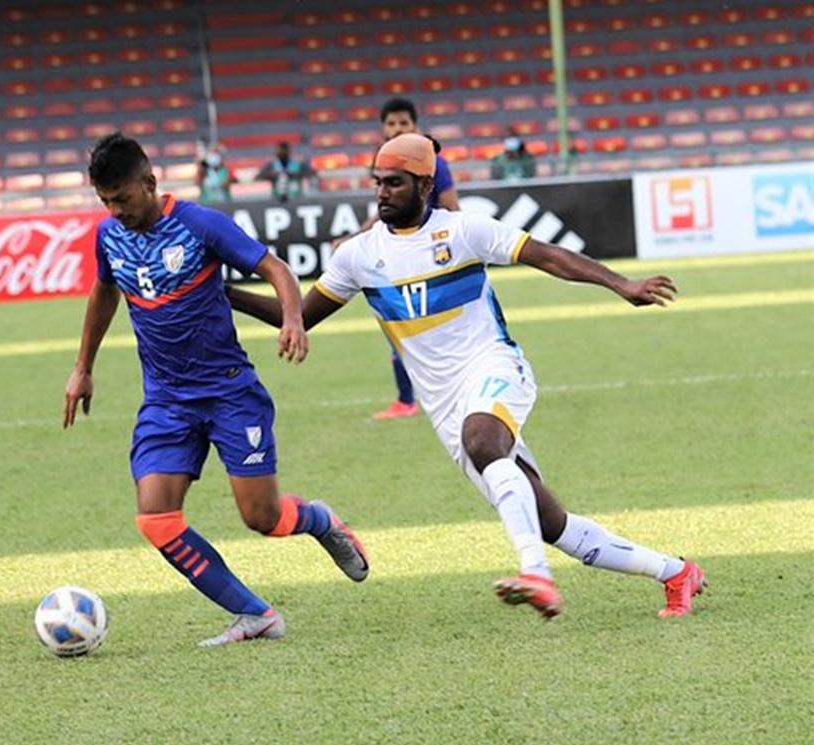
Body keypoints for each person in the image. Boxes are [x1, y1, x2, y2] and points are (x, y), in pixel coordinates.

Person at [226, 134, 705, 620]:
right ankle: (675, 573)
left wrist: (621, 284)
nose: (382, 193)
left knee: (482, 440)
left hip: (495, 367)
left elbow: (548, 255)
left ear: (426, 185)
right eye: (377, 183)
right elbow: (297, 315)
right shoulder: (358, 256)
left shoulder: (464, 231)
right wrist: (225, 291)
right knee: (552, 523)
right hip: (444, 405)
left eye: (395, 183)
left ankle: (536, 575)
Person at [63, 133, 369, 647]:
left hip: (229, 392)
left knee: (262, 518)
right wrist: (83, 367)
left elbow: (276, 269)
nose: (116, 210)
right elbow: (104, 291)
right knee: (156, 517)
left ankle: (320, 520)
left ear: (150, 182)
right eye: (105, 201)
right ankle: (256, 615)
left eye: (123, 198)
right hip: (165, 400)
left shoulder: (201, 224)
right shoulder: (108, 237)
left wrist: (293, 318)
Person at [367, 98, 461, 421]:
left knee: (429, 326)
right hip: (398, 259)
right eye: (391, 124)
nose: (396, 129)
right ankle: (408, 399)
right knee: (400, 326)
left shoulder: (434, 163)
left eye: (403, 123)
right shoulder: (384, 163)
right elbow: (382, 215)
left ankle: (415, 398)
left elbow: (451, 208)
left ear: (415, 126)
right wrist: (355, 237)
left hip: (431, 257)